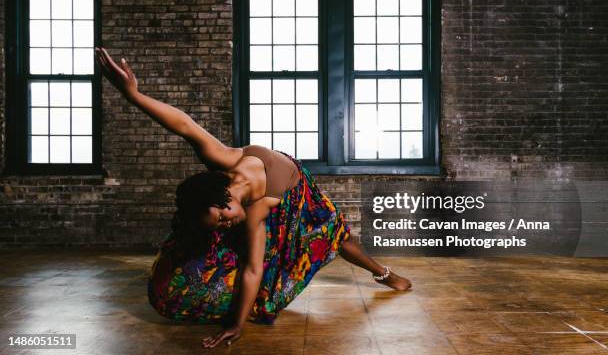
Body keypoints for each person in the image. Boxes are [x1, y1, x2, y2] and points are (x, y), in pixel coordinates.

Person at [95, 47, 412, 349]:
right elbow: (182, 127)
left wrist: (133, 94)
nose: (225, 223)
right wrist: (238, 323)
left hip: (294, 190)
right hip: (268, 193)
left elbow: (185, 124)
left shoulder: (244, 189)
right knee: (207, 241)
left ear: (223, 197)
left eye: (222, 217)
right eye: (219, 223)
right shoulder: (223, 187)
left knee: (335, 234)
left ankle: (384, 274)